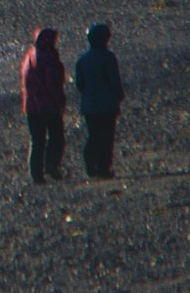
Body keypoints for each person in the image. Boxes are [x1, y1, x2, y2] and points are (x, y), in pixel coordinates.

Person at [74, 22, 124, 178]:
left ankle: (90, 165)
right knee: (106, 137)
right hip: (107, 105)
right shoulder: (108, 57)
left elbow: (80, 84)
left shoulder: (82, 59)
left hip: (89, 105)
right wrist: (119, 94)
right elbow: (114, 81)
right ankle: (103, 168)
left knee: (94, 136)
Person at [20, 25, 67, 183]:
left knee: (37, 141)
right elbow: (53, 82)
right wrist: (60, 100)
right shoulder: (50, 57)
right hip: (48, 105)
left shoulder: (30, 55)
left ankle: (36, 174)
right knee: (56, 137)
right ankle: (51, 165)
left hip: (31, 105)